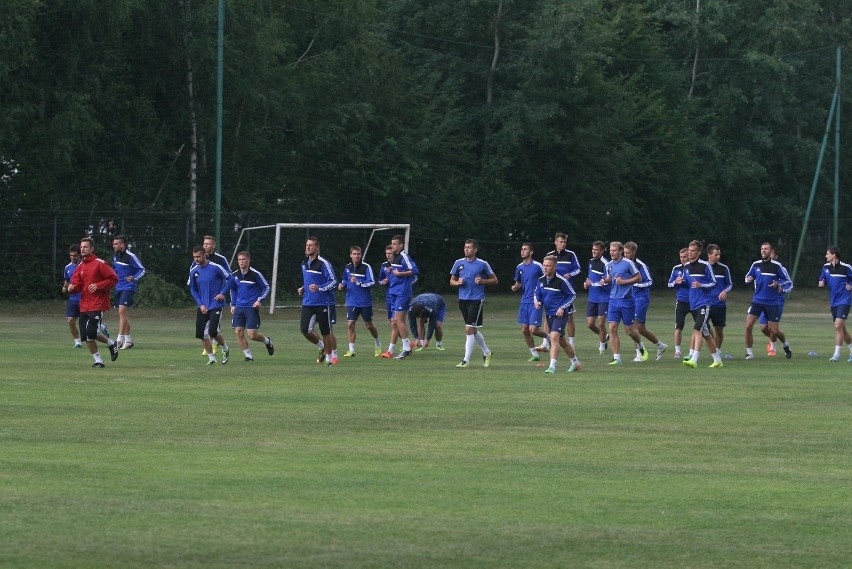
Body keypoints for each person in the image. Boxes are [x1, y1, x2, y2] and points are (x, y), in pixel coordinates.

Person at [67, 237, 120, 368]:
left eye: (85, 247)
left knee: (91, 332)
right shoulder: (80, 267)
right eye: (81, 247)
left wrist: (98, 285)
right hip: (84, 304)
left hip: (98, 304)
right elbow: (77, 284)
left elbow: (113, 279)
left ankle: (111, 343)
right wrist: (72, 288)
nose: (83, 249)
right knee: (86, 336)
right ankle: (98, 361)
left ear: (92, 248)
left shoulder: (99, 263)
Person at [450, 239, 498, 368]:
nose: (466, 249)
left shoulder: (482, 264)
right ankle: (487, 352)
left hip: (477, 299)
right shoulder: (458, 263)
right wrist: (457, 283)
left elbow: (494, 279)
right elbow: (452, 281)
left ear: (475, 250)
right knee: (473, 330)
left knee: (469, 329)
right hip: (463, 299)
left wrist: (483, 281)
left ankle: (466, 360)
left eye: (469, 247)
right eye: (465, 247)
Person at [677, 240, 723, 368]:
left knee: (697, 328)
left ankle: (694, 359)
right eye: (689, 250)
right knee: (706, 333)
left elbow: (713, 283)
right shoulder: (686, 267)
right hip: (694, 303)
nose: (689, 253)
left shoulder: (705, 265)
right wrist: (680, 282)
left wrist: (701, 285)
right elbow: (688, 284)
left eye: (692, 251)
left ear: (698, 252)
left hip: (704, 303)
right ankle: (717, 360)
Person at [744, 242, 792, 360]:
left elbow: (788, 282)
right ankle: (749, 353)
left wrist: (778, 284)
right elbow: (747, 277)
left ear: (771, 252)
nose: (763, 251)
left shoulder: (777, 266)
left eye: (766, 249)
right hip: (757, 301)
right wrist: (748, 279)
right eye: (762, 249)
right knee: (748, 325)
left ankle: (785, 344)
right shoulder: (755, 265)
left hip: (772, 302)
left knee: (774, 331)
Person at [534, 255, 582, 373]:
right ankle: (575, 363)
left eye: (548, 266)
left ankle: (552, 366)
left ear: (555, 267)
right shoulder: (541, 280)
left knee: (554, 337)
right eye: (544, 265)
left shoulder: (562, 281)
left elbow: (572, 295)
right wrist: (537, 302)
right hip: (549, 314)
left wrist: (562, 307)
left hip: (560, 315)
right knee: (562, 341)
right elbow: (536, 294)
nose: (545, 268)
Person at [225, 251, 274, 362]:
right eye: (239, 260)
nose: (241, 262)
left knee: (252, 335)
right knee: (238, 331)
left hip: (251, 307)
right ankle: (248, 356)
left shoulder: (255, 274)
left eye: (244, 259)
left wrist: (259, 300)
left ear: (248, 260)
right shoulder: (235, 275)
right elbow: (233, 289)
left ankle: (267, 341)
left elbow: (266, 287)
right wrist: (233, 304)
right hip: (239, 307)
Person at [623, 241, 668, 361]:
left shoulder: (641, 265)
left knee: (633, 327)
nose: (626, 255)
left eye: (628, 253)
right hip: (630, 299)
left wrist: (634, 283)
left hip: (641, 298)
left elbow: (649, 281)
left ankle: (640, 354)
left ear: (634, 252)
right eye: (624, 253)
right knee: (641, 329)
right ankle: (660, 345)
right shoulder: (623, 264)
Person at [188, 235, 231, 356]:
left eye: (208, 243)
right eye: (204, 243)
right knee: (202, 333)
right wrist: (200, 303)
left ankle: (220, 345)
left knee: (213, 330)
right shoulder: (194, 268)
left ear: (213, 245)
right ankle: (211, 357)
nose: (206, 245)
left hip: (216, 301)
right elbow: (192, 286)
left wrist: (223, 292)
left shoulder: (219, 262)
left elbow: (229, 277)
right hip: (203, 303)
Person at [298, 236, 339, 366]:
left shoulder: (323, 263)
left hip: (323, 303)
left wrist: (319, 288)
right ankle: (321, 346)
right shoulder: (304, 263)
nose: (308, 247)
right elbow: (308, 281)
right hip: (307, 302)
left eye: (310, 245)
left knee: (325, 331)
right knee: (305, 329)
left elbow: (333, 281)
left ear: (317, 248)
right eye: (306, 245)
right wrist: (303, 288)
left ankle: (328, 359)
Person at [602, 241, 643, 365]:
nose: (612, 252)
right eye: (610, 250)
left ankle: (640, 345)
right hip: (613, 300)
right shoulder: (608, 265)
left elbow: (638, 277)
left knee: (629, 331)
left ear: (620, 251)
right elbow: (610, 278)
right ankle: (617, 358)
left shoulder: (628, 263)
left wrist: (624, 282)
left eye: (614, 250)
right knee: (612, 328)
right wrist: (606, 280)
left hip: (627, 301)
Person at [538, 233, 582, 350]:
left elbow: (578, 269)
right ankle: (545, 343)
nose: (563, 244)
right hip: (552, 290)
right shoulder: (550, 255)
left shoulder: (570, 254)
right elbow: (544, 270)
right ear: (556, 242)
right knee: (547, 316)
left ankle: (571, 343)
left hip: (565, 290)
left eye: (565, 242)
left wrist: (570, 274)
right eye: (561, 242)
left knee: (569, 317)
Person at [338, 245, 382, 357]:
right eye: (354, 254)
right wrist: (342, 284)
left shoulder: (366, 267)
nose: (356, 256)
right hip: (351, 301)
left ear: (361, 255)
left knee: (369, 325)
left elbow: (372, 282)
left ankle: (377, 343)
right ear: (350, 255)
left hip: (364, 302)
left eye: (358, 254)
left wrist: (358, 282)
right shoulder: (347, 267)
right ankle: (351, 350)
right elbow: (344, 279)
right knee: (350, 324)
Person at [381, 235, 419, 360]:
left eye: (395, 244)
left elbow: (414, 270)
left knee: (398, 320)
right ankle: (406, 347)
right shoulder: (395, 258)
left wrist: (400, 273)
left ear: (401, 245)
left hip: (402, 292)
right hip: (394, 292)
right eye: (391, 244)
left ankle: (406, 348)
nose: (392, 246)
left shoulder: (404, 256)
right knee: (396, 321)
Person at [511, 242, 547, 362]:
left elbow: (546, 279)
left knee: (533, 329)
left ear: (531, 252)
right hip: (524, 301)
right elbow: (519, 282)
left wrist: (544, 295)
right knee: (524, 329)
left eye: (525, 249)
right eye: (521, 249)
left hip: (536, 301)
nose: (522, 251)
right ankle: (534, 354)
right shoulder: (519, 267)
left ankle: (550, 338)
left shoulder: (538, 266)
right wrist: (515, 287)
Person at [817, 246, 852, 362]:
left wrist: (850, 286)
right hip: (834, 302)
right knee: (842, 330)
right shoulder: (825, 267)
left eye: (827, 254)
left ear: (834, 255)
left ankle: (836, 355)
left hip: (844, 301)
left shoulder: (846, 268)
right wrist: (822, 283)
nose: (826, 256)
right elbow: (823, 279)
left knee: (837, 327)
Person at [111, 235, 146, 349]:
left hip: (128, 287)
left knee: (122, 311)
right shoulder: (115, 256)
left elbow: (142, 269)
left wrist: (134, 278)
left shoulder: (131, 256)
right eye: (113, 244)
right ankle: (128, 340)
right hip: (118, 287)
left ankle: (119, 339)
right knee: (122, 314)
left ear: (122, 245)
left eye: (116, 244)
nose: (114, 246)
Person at [758, 247, 789, 356]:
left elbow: (789, 284)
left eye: (771, 253)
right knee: (763, 328)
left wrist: (781, 288)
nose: (768, 254)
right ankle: (774, 340)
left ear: (776, 256)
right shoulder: (760, 266)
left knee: (773, 329)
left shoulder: (781, 269)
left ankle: (773, 347)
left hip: (777, 301)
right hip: (763, 301)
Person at [583, 240, 610, 355]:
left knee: (601, 323)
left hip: (603, 297)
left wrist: (598, 282)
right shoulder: (590, 262)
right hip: (592, 297)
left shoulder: (606, 263)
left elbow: (608, 281)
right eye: (593, 249)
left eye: (596, 250)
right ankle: (605, 336)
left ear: (602, 251)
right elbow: (590, 278)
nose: (594, 251)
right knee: (590, 324)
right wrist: (586, 283)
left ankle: (602, 345)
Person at [706, 244, 733, 351]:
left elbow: (730, 284)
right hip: (706, 303)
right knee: (702, 328)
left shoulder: (724, 268)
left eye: (719, 254)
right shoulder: (704, 268)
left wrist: (725, 291)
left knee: (719, 330)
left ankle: (717, 352)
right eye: (716, 254)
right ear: (709, 255)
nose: (718, 257)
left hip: (719, 304)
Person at [667, 248, 691, 358]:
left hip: (695, 301)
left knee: (702, 327)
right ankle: (677, 351)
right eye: (681, 257)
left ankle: (694, 352)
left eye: (685, 257)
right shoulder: (676, 269)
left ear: (689, 255)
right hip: (681, 301)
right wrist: (675, 282)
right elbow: (669, 284)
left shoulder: (694, 268)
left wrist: (685, 282)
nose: (682, 259)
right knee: (678, 326)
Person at [61, 244, 83, 348]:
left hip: (85, 298)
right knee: (70, 321)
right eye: (71, 255)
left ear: (79, 255)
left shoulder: (85, 266)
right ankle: (77, 342)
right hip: (73, 298)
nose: (73, 258)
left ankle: (101, 326)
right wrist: (65, 287)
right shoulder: (67, 267)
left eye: (75, 256)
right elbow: (67, 280)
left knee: (86, 323)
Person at [378, 244, 397, 356]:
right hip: (389, 296)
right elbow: (379, 279)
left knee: (395, 322)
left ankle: (390, 350)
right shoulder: (384, 265)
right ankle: (408, 344)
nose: (388, 255)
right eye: (387, 253)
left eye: (390, 253)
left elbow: (413, 277)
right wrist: (383, 282)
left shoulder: (400, 264)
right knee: (392, 323)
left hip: (399, 295)